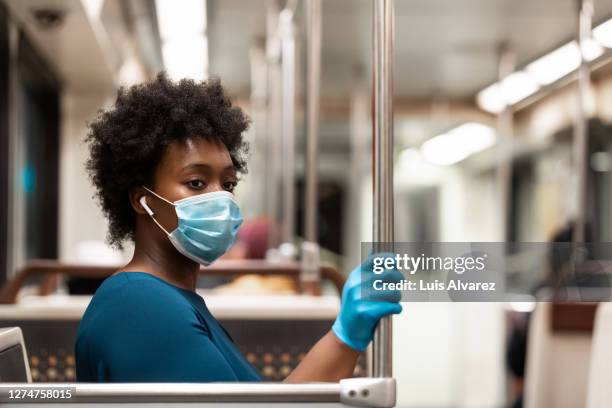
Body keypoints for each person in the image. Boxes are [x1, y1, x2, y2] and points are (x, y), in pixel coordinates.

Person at [75, 73, 403, 382]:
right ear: (140, 200)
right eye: (196, 182)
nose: (220, 198)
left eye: (228, 184)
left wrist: (346, 335)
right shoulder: (140, 307)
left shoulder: (174, 300)